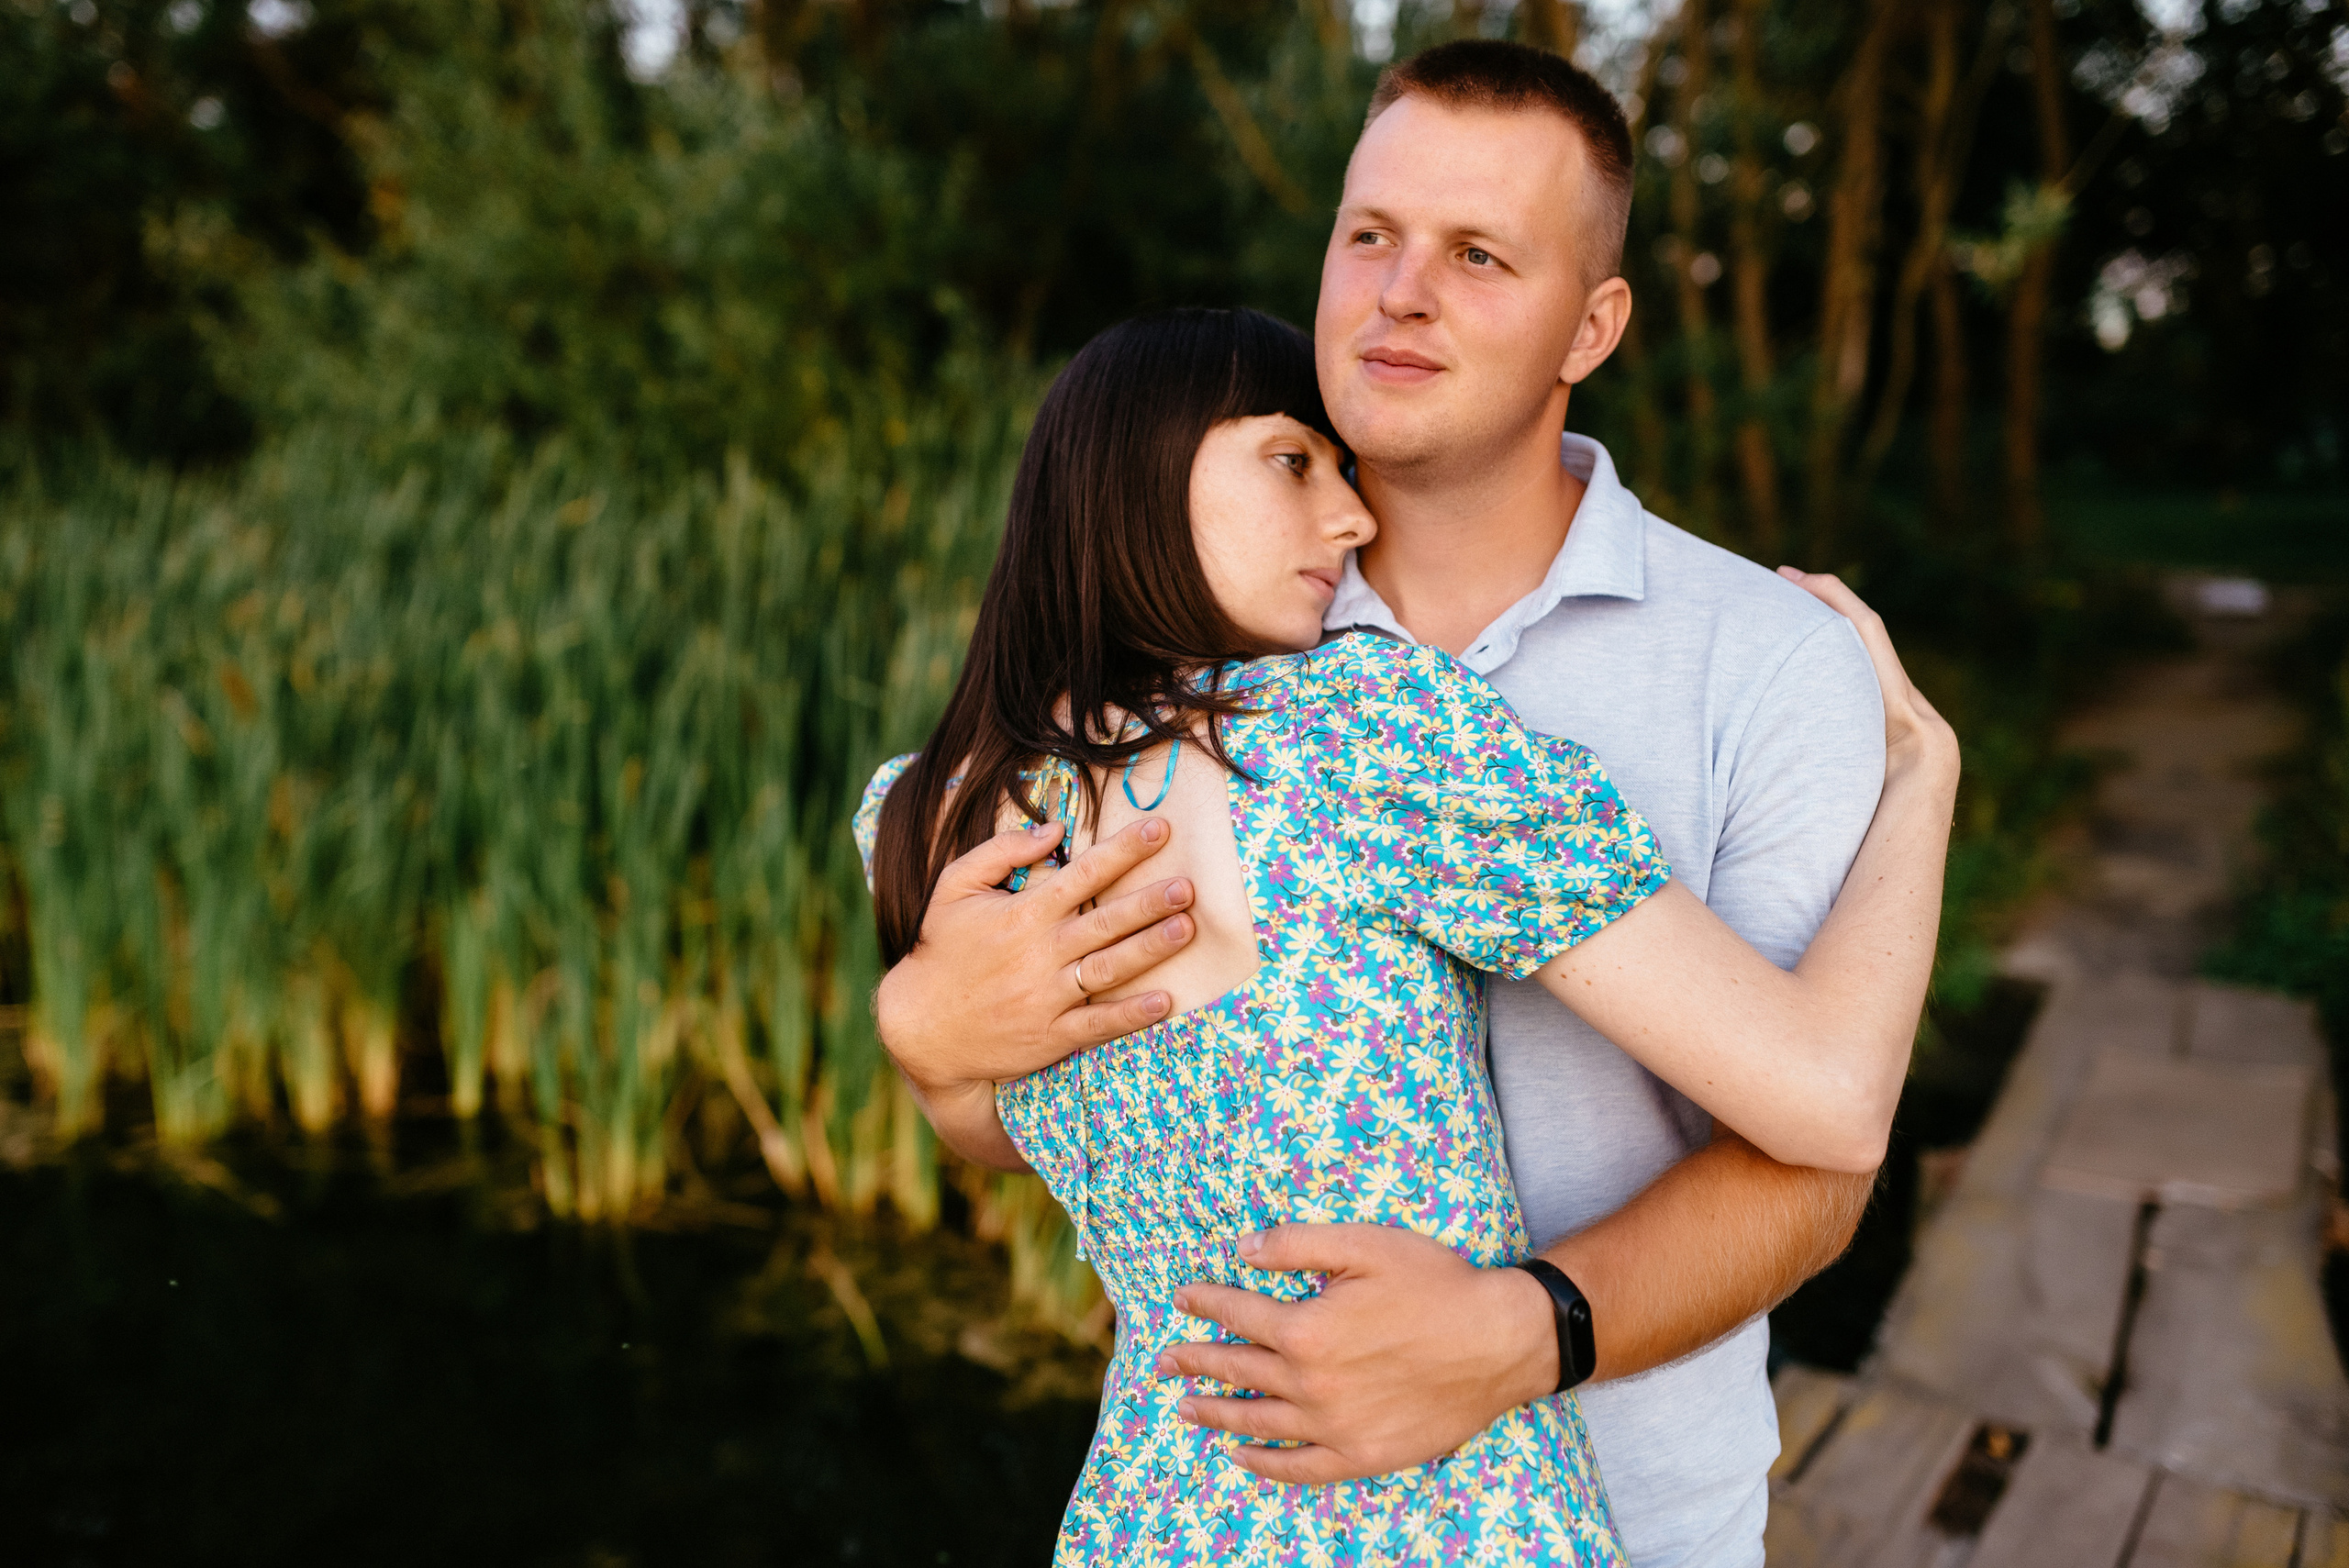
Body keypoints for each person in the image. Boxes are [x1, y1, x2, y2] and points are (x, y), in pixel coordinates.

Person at [872, 40, 1930, 1567]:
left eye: (1481, 254)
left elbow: (1820, 1159)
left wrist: (1514, 1334)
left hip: (1621, 1519)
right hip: (1222, 1489)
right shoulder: (1206, 638)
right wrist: (934, 1041)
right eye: (1370, 234)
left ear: (1596, 319)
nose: (1400, 290)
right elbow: (1059, 1088)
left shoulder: (1767, 663)